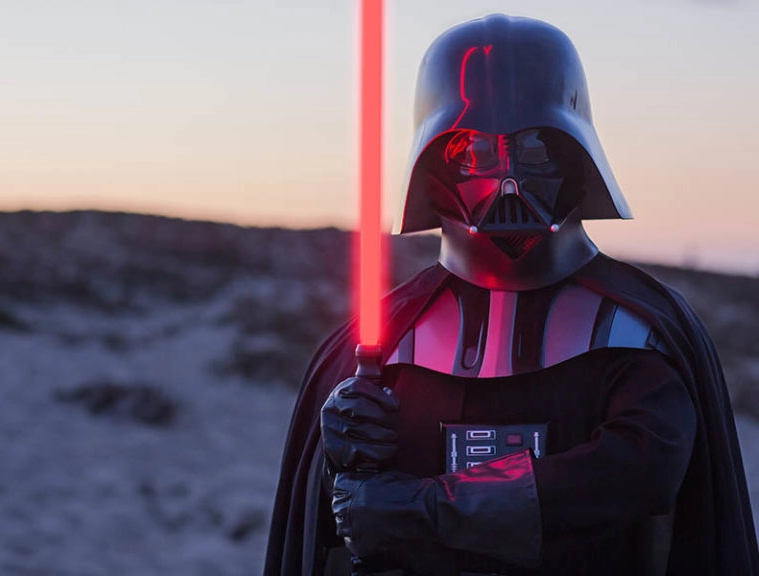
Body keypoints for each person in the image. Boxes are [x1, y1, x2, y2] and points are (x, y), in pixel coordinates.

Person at [264, 14, 758, 576]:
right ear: (434, 161)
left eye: (536, 149)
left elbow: (643, 469)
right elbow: (332, 530)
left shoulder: (636, 327)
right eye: (474, 151)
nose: (507, 181)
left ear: (577, 156)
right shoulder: (382, 337)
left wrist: (430, 509)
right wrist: (334, 458)